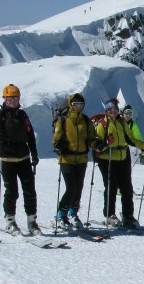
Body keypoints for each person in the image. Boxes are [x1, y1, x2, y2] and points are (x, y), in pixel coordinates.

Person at [0, 84, 42, 236]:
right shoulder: (0, 116)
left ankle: (32, 221)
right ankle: (10, 221)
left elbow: (30, 135)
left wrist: (34, 153)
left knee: (30, 191)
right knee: (12, 191)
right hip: (7, 159)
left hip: (24, 157)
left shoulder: (22, 115)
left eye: (15, 98)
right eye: (9, 98)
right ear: (4, 99)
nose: (12, 101)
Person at [94, 98, 142, 228]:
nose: (113, 112)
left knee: (127, 188)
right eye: (110, 110)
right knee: (111, 187)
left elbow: (131, 139)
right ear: (107, 111)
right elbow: (97, 145)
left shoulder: (122, 123)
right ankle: (110, 215)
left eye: (114, 109)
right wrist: (105, 144)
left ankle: (128, 216)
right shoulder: (102, 124)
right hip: (107, 159)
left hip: (123, 158)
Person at [52, 93, 96, 229]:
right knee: (71, 188)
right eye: (76, 104)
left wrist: (99, 144)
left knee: (78, 188)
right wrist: (59, 146)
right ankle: (61, 214)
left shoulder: (86, 121)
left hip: (82, 159)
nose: (78, 107)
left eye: (81, 105)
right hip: (67, 159)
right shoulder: (63, 120)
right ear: (71, 105)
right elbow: (56, 139)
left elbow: (91, 139)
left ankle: (73, 212)